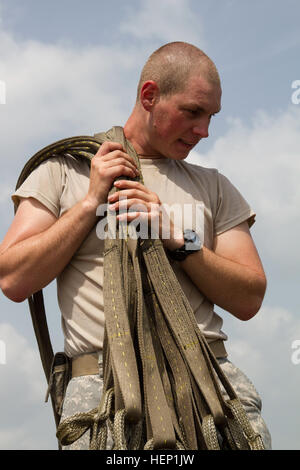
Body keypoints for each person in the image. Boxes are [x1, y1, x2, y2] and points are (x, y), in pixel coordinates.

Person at [0, 41, 271, 450]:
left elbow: (250, 297)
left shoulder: (214, 186)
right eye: (192, 112)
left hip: (209, 392)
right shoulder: (65, 170)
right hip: (104, 396)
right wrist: (91, 202)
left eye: (211, 116)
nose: (204, 131)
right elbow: (13, 278)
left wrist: (181, 241)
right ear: (149, 96)